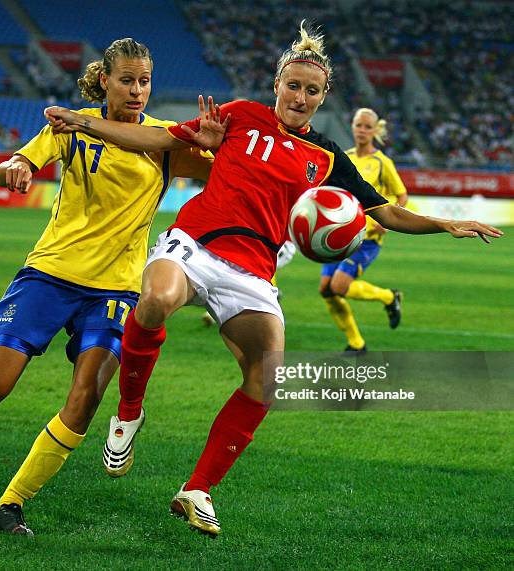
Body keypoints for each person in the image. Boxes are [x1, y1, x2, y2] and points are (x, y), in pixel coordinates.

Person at [44, 22, 502, 537]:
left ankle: (197, 489)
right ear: (277, 83)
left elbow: (386, 213)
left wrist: (446, 224)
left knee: (269, 378)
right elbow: (154, 136)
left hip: (254, 271)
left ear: (323, 96)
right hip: (196, 243)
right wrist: (86, 125)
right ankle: (129, 412)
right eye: (293, 85)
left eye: (312, 90)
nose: (300, 97)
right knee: (155, 298)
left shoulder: (326, 157)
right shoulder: (238, 117)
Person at [0, 38, 212, 536]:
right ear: (105, 80)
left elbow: (222, 174)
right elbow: (28, 157)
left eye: (144, 81)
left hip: (116, 289)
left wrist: (220, 145)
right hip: (51, 274)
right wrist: (17, 165)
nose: (137, 90)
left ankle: (10, 505)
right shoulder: (72, 124)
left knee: (86, 396)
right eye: (127, 80)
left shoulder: (164, 140)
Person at [320, 108, 409, 353]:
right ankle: (356, 343)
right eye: (359, 125)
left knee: (338, 286)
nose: (362, 130)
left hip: (367, 238)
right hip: (340, 235)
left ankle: (389, 297)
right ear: (352, 126)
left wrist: (386, 222)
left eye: (367, 127)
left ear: (374, 131)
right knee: (326, 290)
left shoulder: (382, 163)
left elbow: (402, 195)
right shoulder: (344, 157)